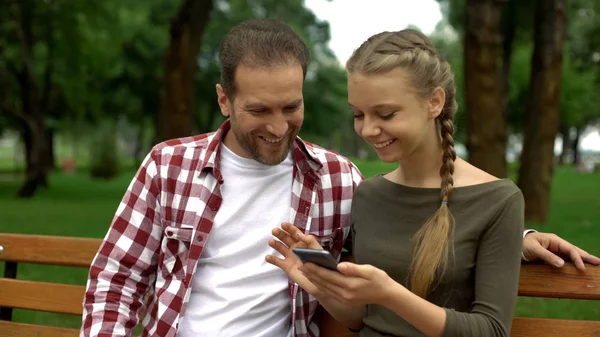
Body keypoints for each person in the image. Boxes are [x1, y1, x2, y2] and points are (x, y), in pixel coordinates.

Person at [80, 19, 599, 337]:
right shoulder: (169, 166)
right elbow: (116, 278)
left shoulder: (337, 179)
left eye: (292, 106)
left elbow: (437, 207)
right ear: (223, 99)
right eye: (259, 109)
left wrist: (519, 238)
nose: (278, 127)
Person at [267, 29, 600, 337]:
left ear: (435, 102)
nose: (368, 130)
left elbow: (491, 330)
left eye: (385, 115)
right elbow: (359, 319)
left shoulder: (498, 199)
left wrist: (392, 294)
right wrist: (321, 281)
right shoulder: (368, 194)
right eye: (358, 115)